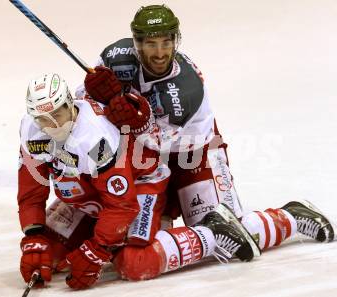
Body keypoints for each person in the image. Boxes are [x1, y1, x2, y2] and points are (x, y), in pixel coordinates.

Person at [79, 4, 335, 254]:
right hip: (147, 161)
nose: (159, 53)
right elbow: (84, 107)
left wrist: (134, 117)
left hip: (194, 152)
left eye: (166, 43)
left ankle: (291, 216)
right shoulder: (115, 56)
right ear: (136, 43)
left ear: (175, 41)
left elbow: (161, 140)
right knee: (132, 236)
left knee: (224, 232)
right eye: (150, 44)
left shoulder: (185, 87)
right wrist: (96, 96)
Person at [17, 72, 259, 290]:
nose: (53, 126)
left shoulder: (95, 136)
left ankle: (211, 233)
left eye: (57, 114)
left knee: (133, 263)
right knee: (48, 254)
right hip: (89, 194)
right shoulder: (32, 131)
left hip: (140, 184)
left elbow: (122, 204)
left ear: (70, 104)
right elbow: (31, 190)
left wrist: (97, 250)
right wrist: (33, 237)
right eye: (43, 119)